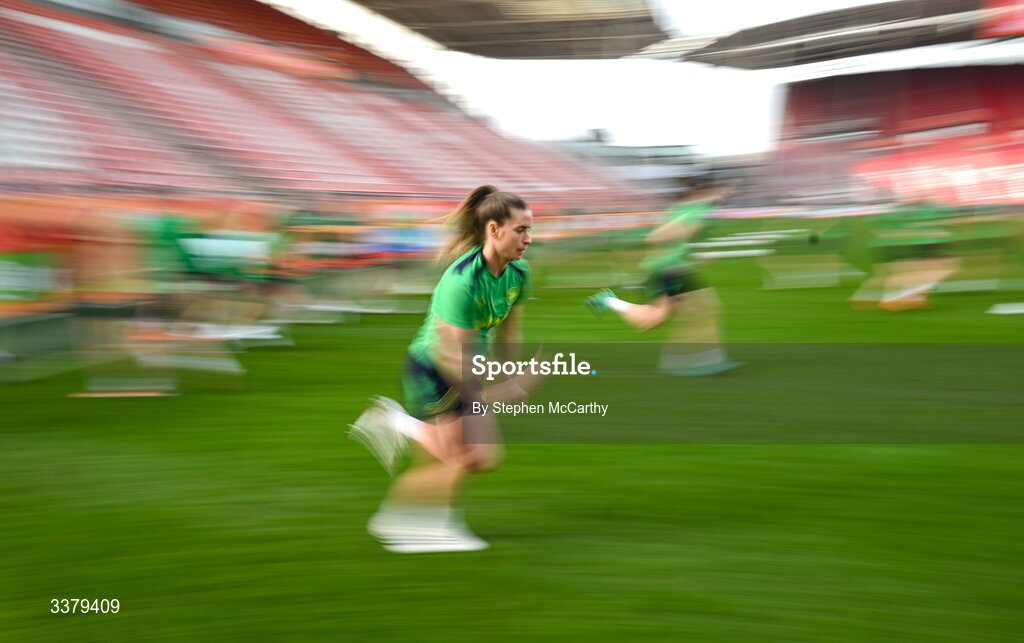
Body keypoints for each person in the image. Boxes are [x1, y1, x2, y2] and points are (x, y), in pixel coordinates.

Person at [349, 185, 537, 553]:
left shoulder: (519, 273)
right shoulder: (461, 281)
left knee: (482, 457)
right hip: (434, 368)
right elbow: (453, 355)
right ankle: (407, 524)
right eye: (520, 230)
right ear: (494, 229)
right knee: (453, 457)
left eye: (530, 229)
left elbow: (510, 331)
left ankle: (397, 426)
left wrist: (511, 374)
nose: (528, 239)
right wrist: (498, 393)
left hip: (467, 366)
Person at [585, 184, 742, 375]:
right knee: (700, 310)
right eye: (720, 191)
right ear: (703, 192)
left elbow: (675, 242)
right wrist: (677, 240)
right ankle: (701, 361)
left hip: (672, 269)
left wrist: (693, 257)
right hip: (669, 270)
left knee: (657, 319)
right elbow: (656, 237)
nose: (723, 196)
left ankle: (610, 301)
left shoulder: (691, 209)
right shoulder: (696, 210)